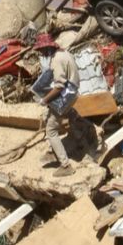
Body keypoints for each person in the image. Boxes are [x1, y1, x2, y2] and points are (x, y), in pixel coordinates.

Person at [34, 35, 93, 177]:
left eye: (42, 50)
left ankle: (65, 165)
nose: (41, 53)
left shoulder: (56, 60)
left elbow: (59, 86)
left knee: (51, 131)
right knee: (54, 116)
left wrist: (45, 100)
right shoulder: (65, 53)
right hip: (72, 93)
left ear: (47, 48)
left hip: (65, 97)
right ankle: (54, 151)